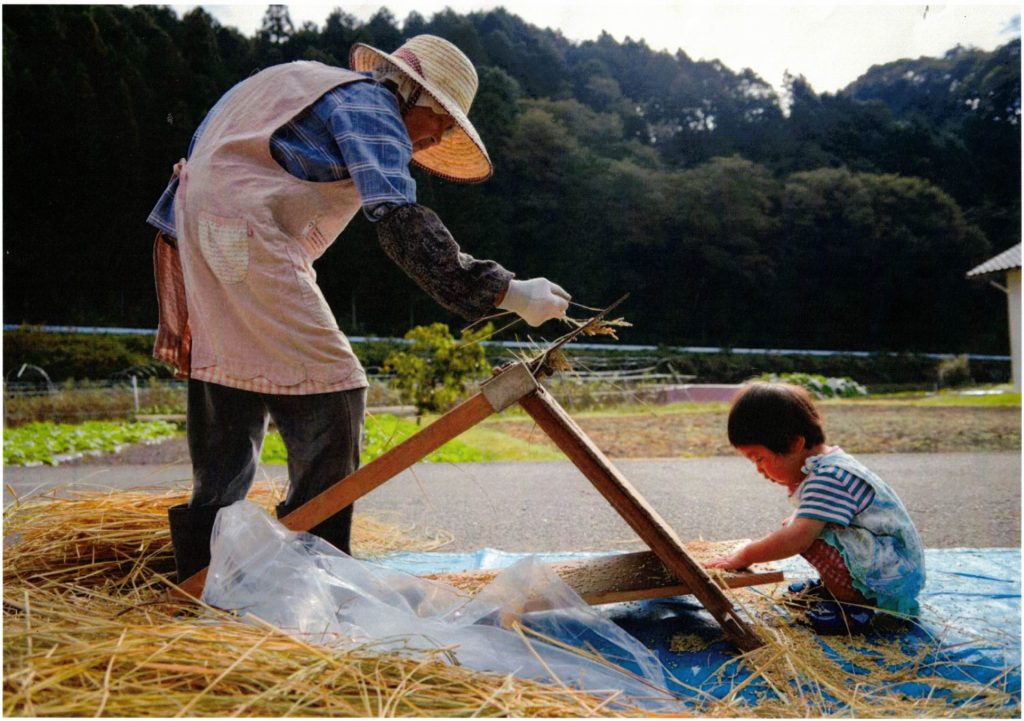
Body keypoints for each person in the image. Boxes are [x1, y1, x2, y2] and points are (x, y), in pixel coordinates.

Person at [146, 35, 571, 583]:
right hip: (243, 235)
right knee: (335, 386)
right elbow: (398, 219)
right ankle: (311, 567)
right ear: (413, 93)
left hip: (198, 231)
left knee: (227, 374)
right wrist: (505, 291)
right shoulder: (371, 106)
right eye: (441, 121)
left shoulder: (308, 82)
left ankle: (200, 572)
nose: (438, 136)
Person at [705, 382, 925, 633]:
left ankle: (855, 608)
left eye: (759, 458)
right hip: (890, 563)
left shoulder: (828, 477)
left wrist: (747, 554)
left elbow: (796, 540)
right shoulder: (827, 464)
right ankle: (835, 589)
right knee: (800, 524)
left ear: (794, 444)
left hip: (891, 576)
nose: (759, 469)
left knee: (805, 534)